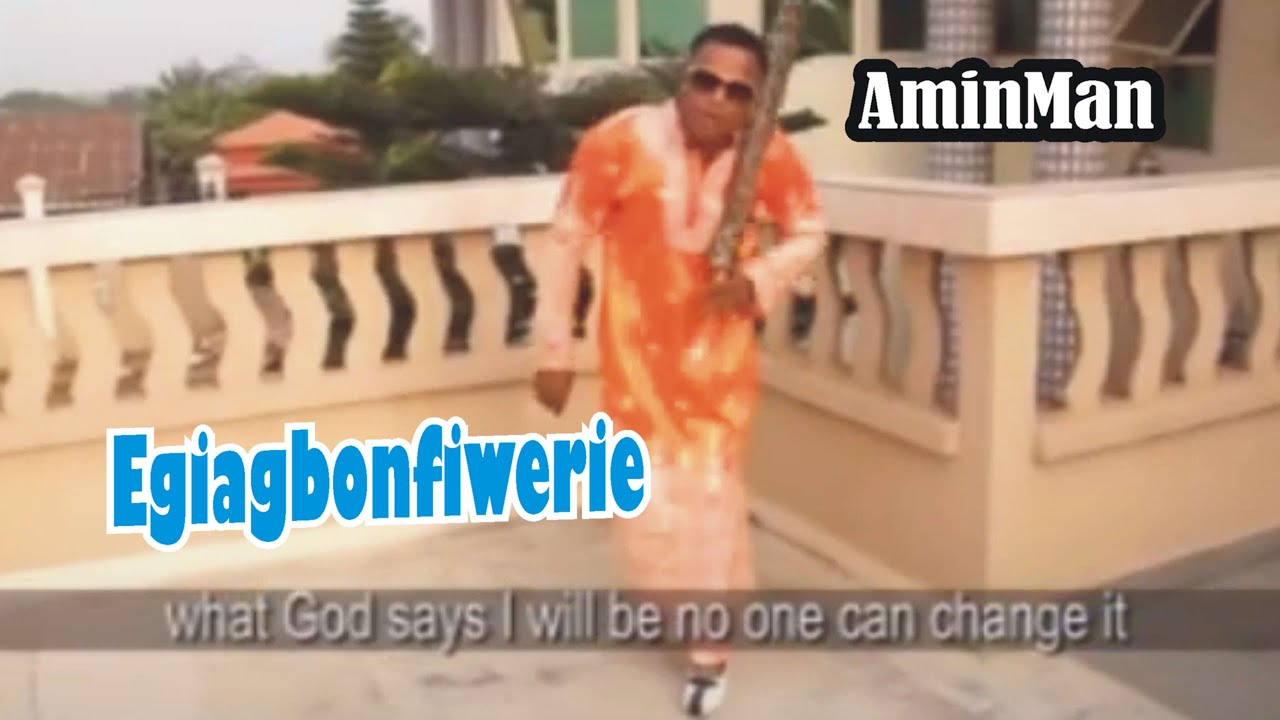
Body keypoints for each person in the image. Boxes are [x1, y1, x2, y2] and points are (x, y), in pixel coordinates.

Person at [531, 23, 826, 716]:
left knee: (710, 499)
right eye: (706, 80)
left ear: (755, 102)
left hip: (717, 360)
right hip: (634, 357)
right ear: (684, 78)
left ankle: (708, 654)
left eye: (737, 91)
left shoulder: (768, 154)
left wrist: (755, 279)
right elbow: (566, 241)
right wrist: (554, 352)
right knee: (646, 503)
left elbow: (810, 231)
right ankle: (671, 608)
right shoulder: (619, 141)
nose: (717, 99)